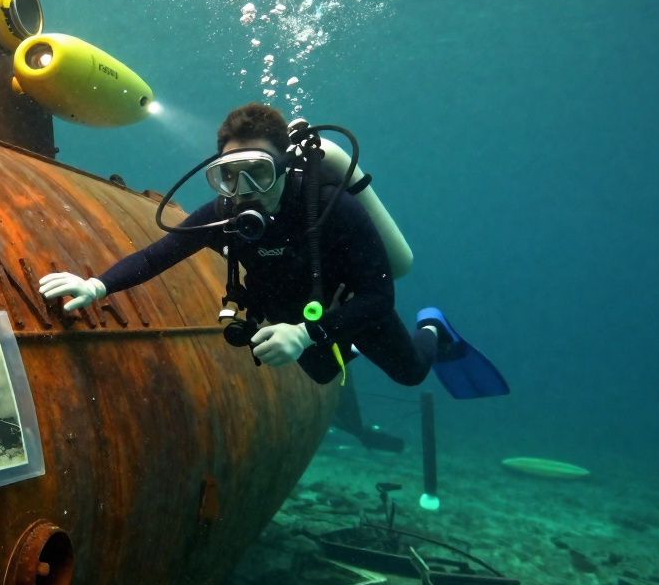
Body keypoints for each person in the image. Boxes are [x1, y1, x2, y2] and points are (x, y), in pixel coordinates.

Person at [38, 103, 508, 401]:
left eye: (258, 173)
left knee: (410, 373)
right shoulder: (223, 214)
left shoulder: (332, 208)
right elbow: (156, 256)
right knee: (322, 373)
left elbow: (379, 297)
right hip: (294, 312)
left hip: (350, 305)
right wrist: (96, 284)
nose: (244, 189)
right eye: (229, 175)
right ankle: (337, 345)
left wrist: (305, 334)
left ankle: (433, 327)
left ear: (283, 167)